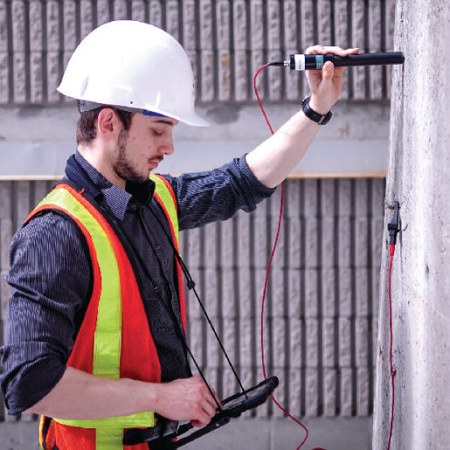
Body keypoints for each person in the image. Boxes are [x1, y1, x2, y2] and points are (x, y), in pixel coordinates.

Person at [0, 20, 358, 449]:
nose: (169, 146)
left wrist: (316, 107)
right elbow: (28, 383)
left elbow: (242, 181)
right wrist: (161, 398)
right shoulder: (55, 234)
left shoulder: (152, 201)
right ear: (110, 123)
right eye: (157, 129)